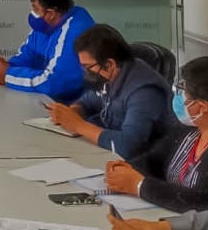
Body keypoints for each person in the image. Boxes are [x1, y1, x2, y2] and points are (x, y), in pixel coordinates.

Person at [105, 56, 208, 212]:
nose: (178, 96)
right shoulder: (189, 127)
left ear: (202, 107)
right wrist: (128, 167)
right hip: (163, 213)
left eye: (183, 91)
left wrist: (140, 186)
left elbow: (206, 201)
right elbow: (156, 158)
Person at [46, 24, 178, 159]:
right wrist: (72, 112)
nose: (85, 72)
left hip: (146, 162)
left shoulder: (145, 92)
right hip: (109, 154)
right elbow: (88, 102)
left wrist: (79, 126)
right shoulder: (109, 77)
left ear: (109, 65)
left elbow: (128, 147)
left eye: (88, 67)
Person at [0, 0, 94, 102]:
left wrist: (8, 75)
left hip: (75, 106)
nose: (32, 13)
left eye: (35, 8)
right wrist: (5, 68)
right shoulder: (45, 26)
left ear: (50, 13)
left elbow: (54, 82)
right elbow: (26, 55)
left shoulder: (75, 31)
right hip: (48, 100)